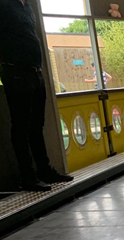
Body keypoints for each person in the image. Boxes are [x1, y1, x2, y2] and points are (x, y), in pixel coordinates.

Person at [0, 0, 73, 191]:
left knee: (37, 124)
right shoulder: (4, 5)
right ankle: (27, 175)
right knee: (21, 125)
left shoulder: (27, 7)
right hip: (15, 71)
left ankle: (44, 170)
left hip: (35, 72)